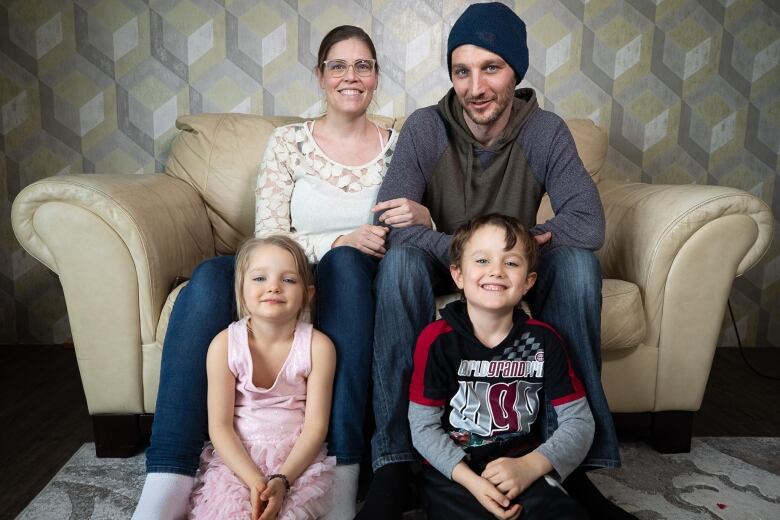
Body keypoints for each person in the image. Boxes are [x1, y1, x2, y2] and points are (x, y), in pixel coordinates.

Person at [133, 25, 431, 520]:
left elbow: (409, 234)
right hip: (283, 270)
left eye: (363, 65)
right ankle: (167, 480)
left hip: (355, 283)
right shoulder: (289, 141)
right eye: (338, 65)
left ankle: (342, 475)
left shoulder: (401, 147)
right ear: (320, 76)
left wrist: (419, 220)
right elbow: (267, 237)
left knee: (347, 266)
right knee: (210, 274)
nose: (350, 76)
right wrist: (339, 239)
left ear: (377, 77)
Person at [362, 3, 634, 519]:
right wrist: (462, 253)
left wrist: (503, 256)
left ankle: (567, 465)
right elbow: (394, 224)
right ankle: (395, 462)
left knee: (577, 265)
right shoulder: (425, 128)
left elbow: (588, 223)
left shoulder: (545, 130)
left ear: (516, 72)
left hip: (510, 268)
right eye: (462, 71)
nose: (475, 86)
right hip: (447, 265)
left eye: (491, 68)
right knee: (399, 265)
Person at [408, 214, 592, 520]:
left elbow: (579, 423)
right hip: (456, 474)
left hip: (521, 464)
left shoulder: (542, 340)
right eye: (481, 261)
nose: (496, 271)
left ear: (528, 282)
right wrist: (470, 481)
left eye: (511, 263)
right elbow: (423, 427)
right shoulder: (436, 340)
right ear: (457, 275)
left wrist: (531, 466)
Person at [189, 236, 336, 519]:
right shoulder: (224, 345)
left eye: (289, 280)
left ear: (308, 294)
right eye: (259, 278)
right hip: (238, 460)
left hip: (295, 461)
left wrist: (282, 479)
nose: (273, 286)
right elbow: (219, 426)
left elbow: (316, 427)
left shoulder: (318, 347)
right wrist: (255, 480)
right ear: (240, 290)